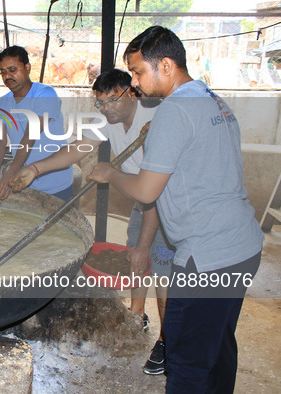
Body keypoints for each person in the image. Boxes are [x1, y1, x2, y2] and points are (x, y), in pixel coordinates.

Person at [87, 26, 263, 393]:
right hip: (244, 246)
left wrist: (110, 173)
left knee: (185, 361)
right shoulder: (213, 101)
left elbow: (147, 191)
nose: (134, 83)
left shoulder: (173, 111)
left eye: (137, 72)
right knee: (218, 348)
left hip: (207, 256)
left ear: (166, 65)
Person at [9, 68, 175, 375]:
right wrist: (34, 169)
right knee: (138, 260)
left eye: (114, 99)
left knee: (160, 269)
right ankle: (137, 315)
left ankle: (167, 342)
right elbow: (77, 149)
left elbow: (156, 196)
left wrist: (143, 244)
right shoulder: (109, 123)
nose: (107, 107)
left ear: (132, 91)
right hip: (144, 201)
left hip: (170, 204)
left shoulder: (155, 121)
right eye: (100, 102)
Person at [0, 45, 73, 201]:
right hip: (22, 183)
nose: (7, 76)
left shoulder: (45, 94)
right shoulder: (1, 104)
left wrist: (10, 172)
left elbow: (29, 137)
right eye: (3, 72)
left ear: (27, 67)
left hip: (55, 182)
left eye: (13, 70)